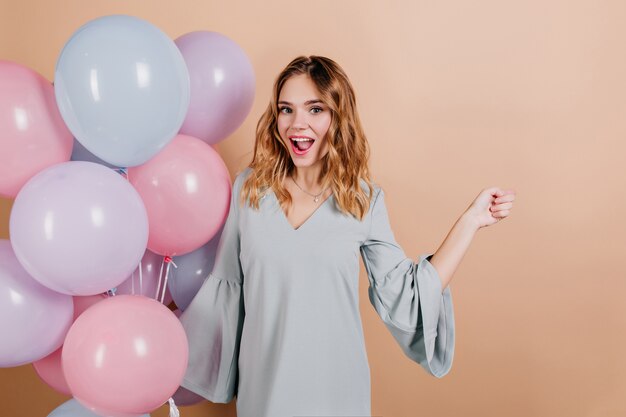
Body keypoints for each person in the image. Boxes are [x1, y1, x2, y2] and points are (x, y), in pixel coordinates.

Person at [178, 55, 516, 417]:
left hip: (338, 394)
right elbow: (226, 290)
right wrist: (167, 336)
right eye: (286, 109)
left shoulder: (362, 200)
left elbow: (407, 293)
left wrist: (470, 221)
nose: (297, 124)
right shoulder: (250, 190)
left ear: (338, 117)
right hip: (266, 394)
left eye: (315, 109)